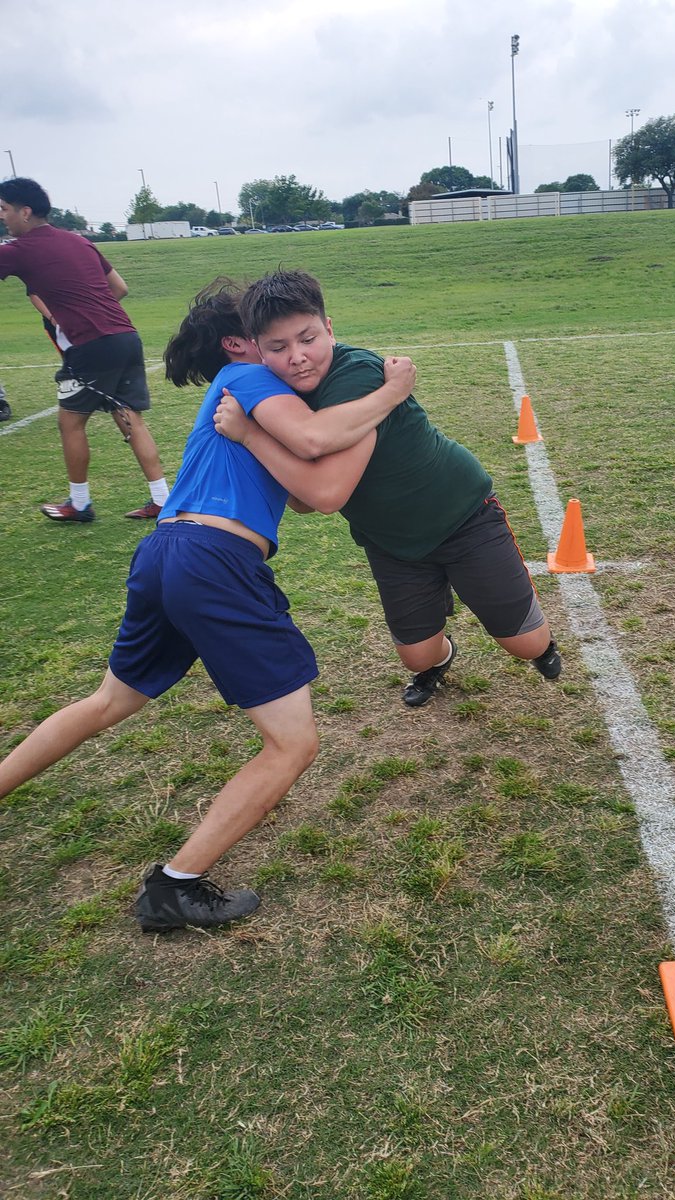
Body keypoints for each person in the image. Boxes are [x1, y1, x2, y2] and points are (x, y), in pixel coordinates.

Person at [0, 279, 415, 932]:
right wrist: (390, 392)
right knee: (293, 743)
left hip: (166, 553)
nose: (289, 351)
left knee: (109, 702)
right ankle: (174, 888)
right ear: (242, 342)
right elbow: (309, 442)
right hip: (215, 563)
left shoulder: (249, 397)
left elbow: (308, 492)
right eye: (272, 337)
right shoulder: (248, 380)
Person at [214, 268, 562, 709]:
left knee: (525, 644)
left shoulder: (357, 372)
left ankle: (542, 645)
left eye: (308, 339)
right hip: (392, 541)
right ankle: (443, 658)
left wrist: (251, 435)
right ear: (259, 352)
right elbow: (302, 499)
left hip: (460, 515)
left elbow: (323, 488)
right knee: (417, 656)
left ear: (329, 329)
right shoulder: (284, 401)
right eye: (279, 348)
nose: (297, 357)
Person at [0, 176, 169, 522]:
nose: (2, 217)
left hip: (91, 347)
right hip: (126, 336)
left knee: (71, 424)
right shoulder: (79, 242)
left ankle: (79, 504)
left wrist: (75, 320)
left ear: (25, 211)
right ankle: (164, 499)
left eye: (4, 210)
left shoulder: (19, 250)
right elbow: (119, 287)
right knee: (130, 419)